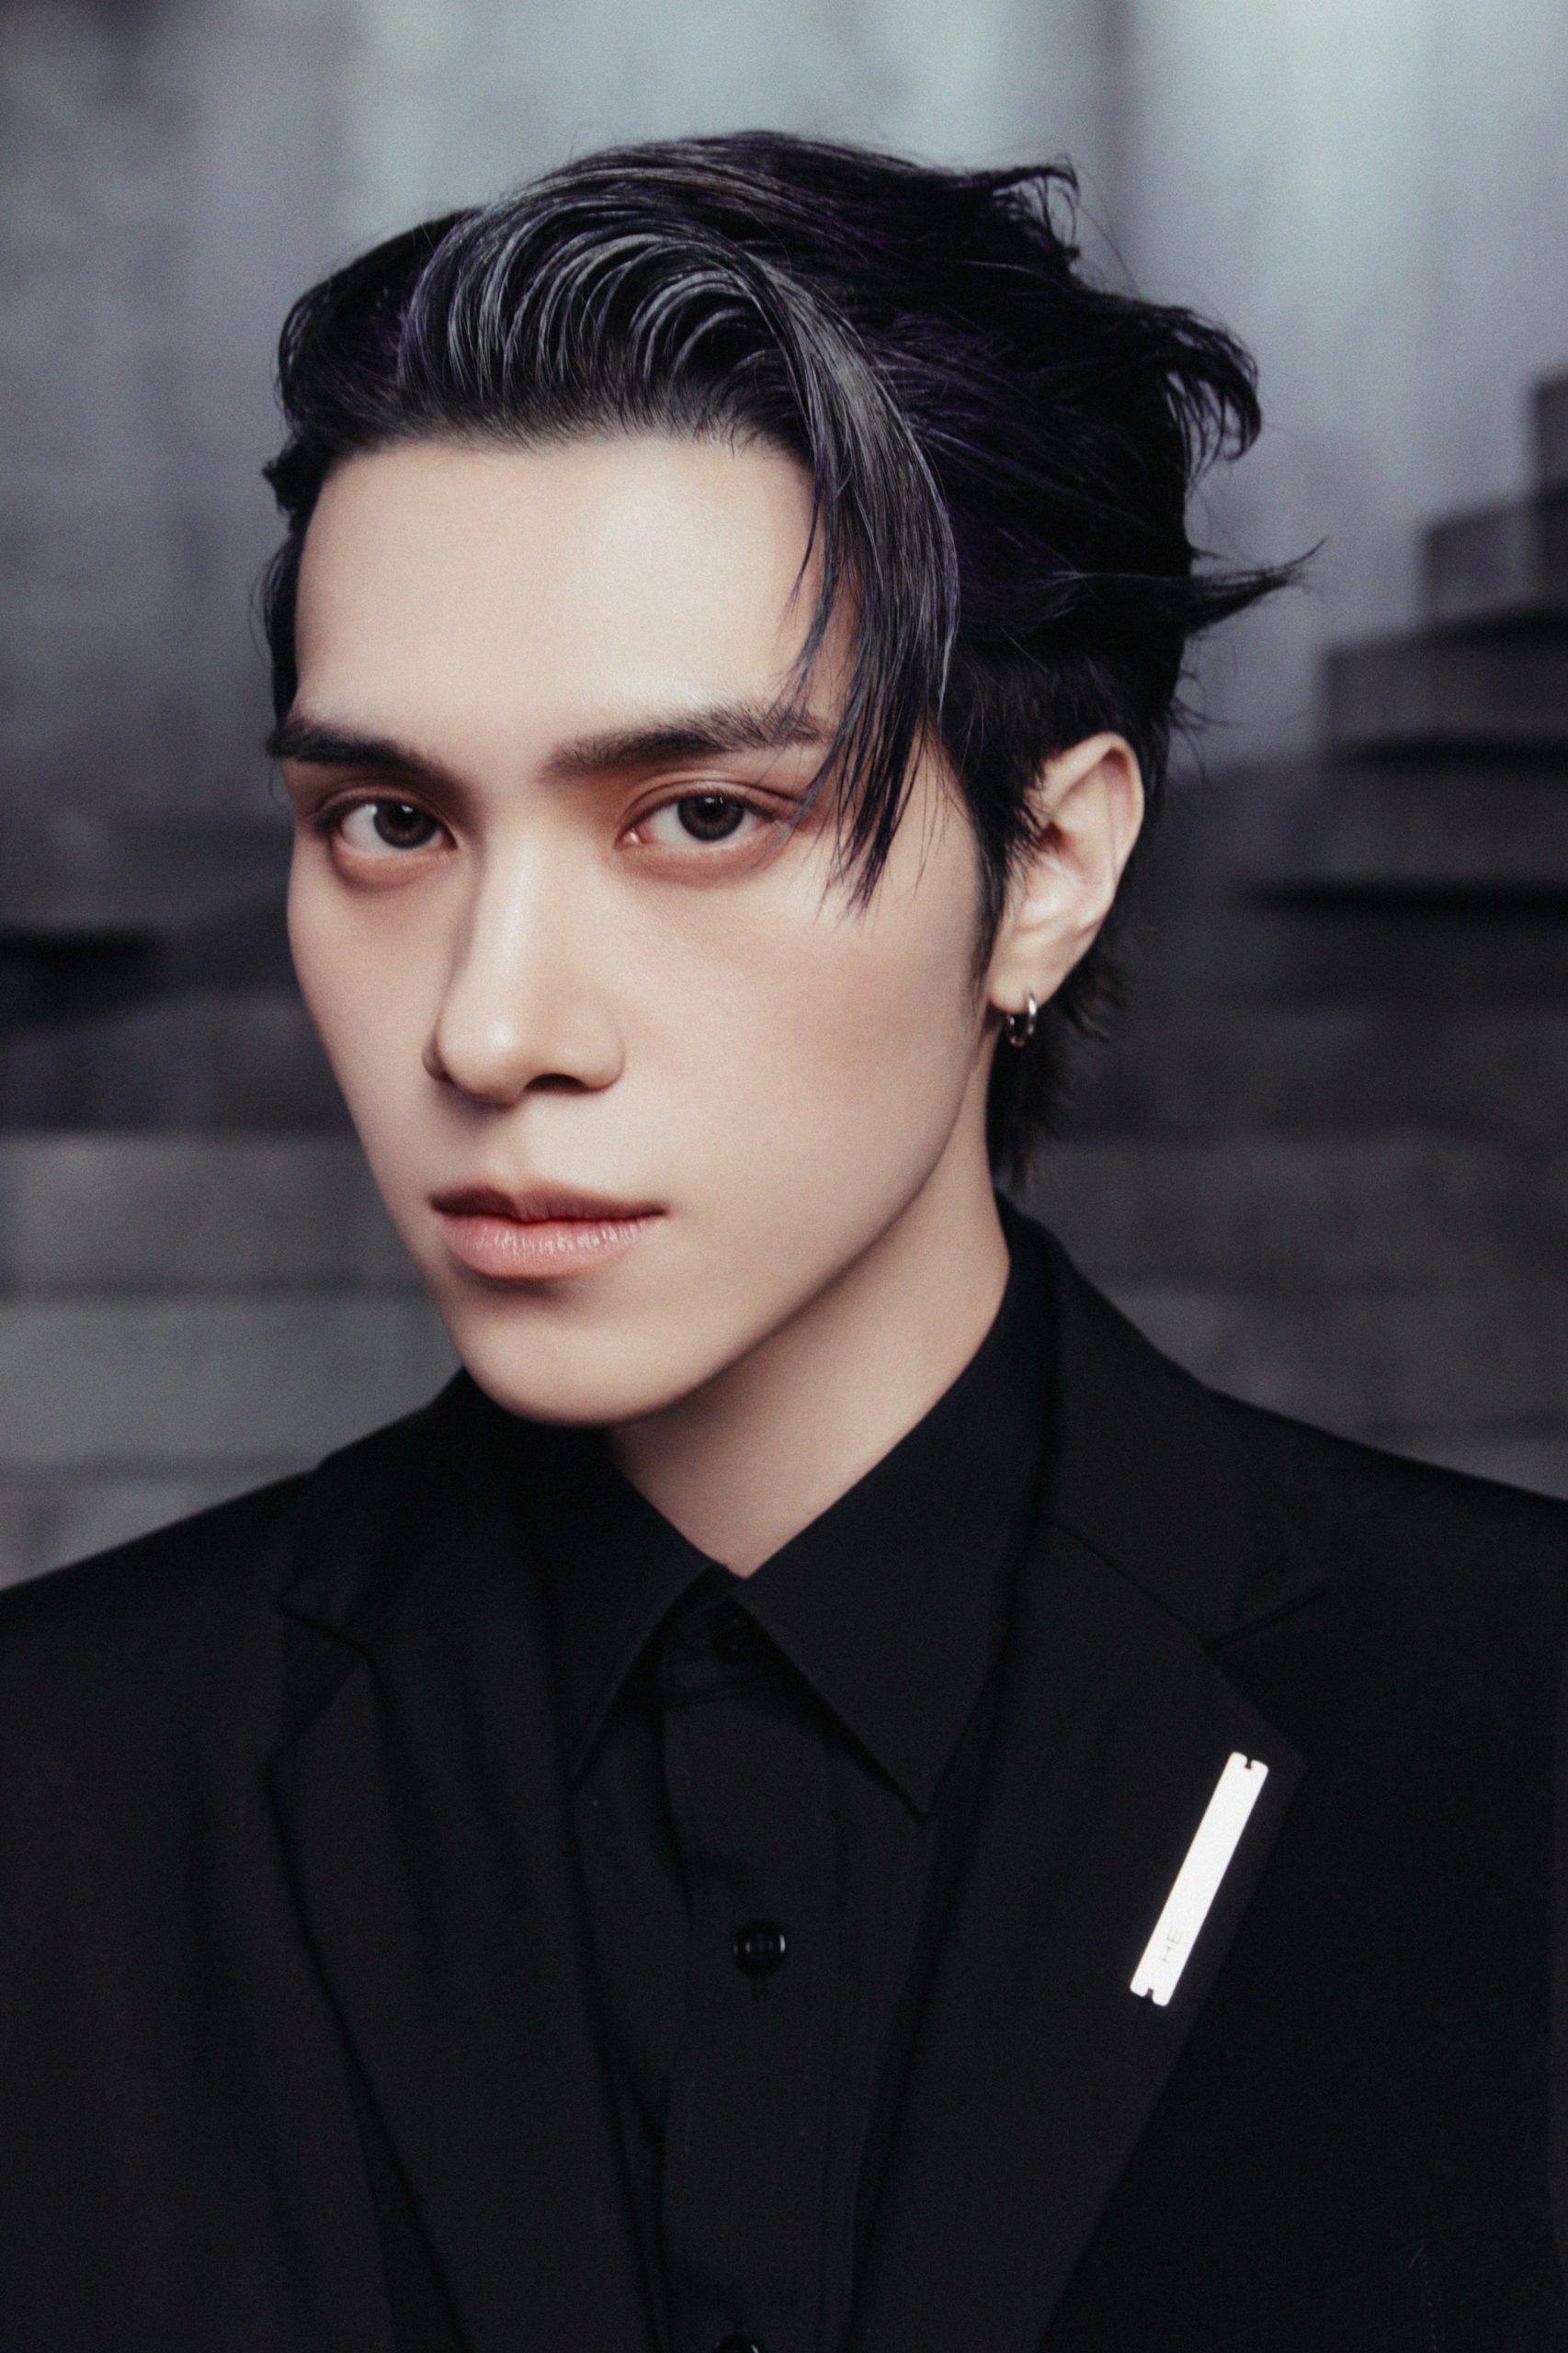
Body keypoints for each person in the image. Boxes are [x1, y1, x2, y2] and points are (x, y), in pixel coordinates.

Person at [0, 131, 1563, 2353]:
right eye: (390, 818)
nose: (490, 1025)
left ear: (1047, 866)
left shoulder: (1516, 1723)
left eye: (701, 813)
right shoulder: (56, 1780)